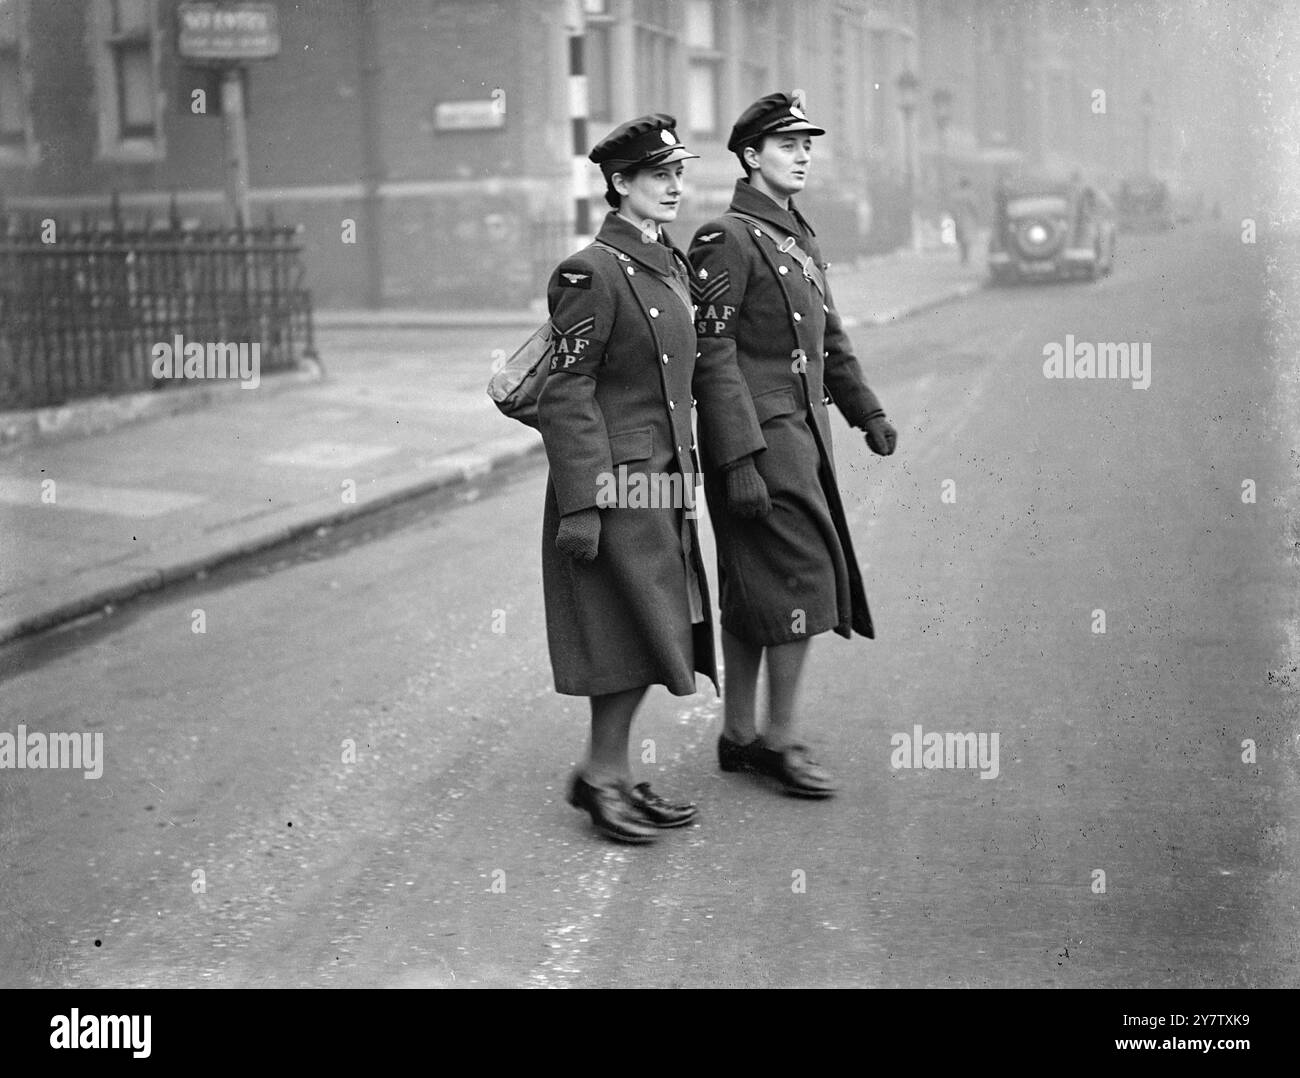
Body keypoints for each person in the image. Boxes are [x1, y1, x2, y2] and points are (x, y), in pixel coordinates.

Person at [539, 114, 750, 843]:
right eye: (656, 175)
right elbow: (565, 393)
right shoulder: (588, 272)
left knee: (648, 628)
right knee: (623, 631)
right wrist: (582, 506)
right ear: (618, 183)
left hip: (662, 480)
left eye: (677, 173)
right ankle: (601, 777)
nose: (673, 186)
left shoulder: (670, 262)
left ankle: (613, 773)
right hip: (615, 484)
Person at [688, 90, 897, 798]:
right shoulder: (726, 238)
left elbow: (828, 338)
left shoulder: (795, 235)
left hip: (800, 434)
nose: (803, 154)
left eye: (807, 143)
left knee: (753, 587)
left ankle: (740, 736)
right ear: (750, 157)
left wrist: (865, 411)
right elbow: (712, 357)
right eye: (787, 145)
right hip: (758, 441)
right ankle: (780, 740)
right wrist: (740, 459)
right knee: (803, 578)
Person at [951, 175, 980, 264]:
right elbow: (974, 206)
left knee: (961, 239)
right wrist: (977, 215)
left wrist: (954, 216)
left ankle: (962, 257)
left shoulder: (956, 194)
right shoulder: (970, 194)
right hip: (968, 218)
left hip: (957, 218)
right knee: (967, 239)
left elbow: (952, 207)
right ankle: (966, 258)